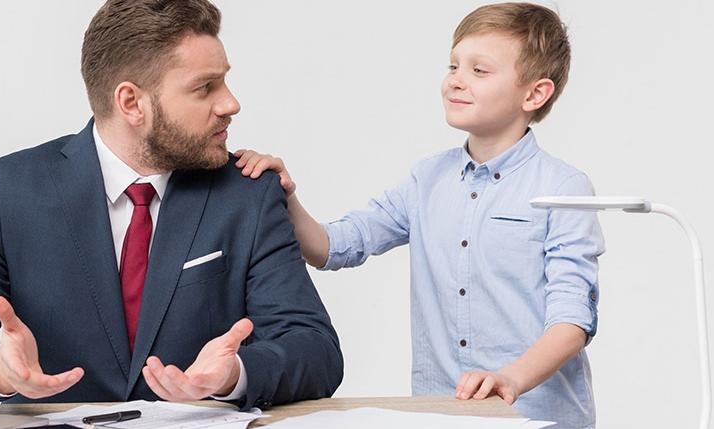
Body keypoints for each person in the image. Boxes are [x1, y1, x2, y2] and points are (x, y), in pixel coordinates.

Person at [0, 0, 343, 412]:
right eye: (204, 87)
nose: (230, 103)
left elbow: (315, 349)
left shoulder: (248, 193)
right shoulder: (8, 191)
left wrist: (237, 374)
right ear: (131, 102)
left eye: (225, 80)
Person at [235, 3, 602, 427]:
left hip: (538, 419)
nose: (456, 81)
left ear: (534, 94)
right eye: (453, 66)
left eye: (479, 71)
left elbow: (572, 320)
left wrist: (509, 380)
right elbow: (332, 248)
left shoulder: (563, 187)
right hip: (441, 416)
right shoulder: (425, 179)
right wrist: (285, 194)